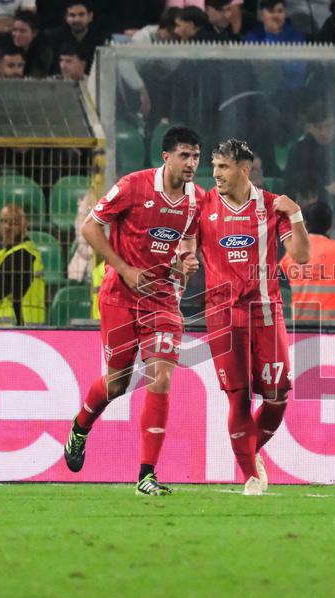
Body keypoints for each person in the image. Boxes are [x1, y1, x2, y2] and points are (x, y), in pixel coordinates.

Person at [64, 126, 204, 496]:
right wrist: (124, 268)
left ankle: (146, 475)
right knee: (116, 384)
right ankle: (80, 427)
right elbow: (90, 227)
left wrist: (187, 262)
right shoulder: (133, 186)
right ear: (166, 157)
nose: (191, 163)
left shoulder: (196, 199)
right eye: (185, 155)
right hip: (120, 295)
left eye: (196, 156)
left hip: (161, 299)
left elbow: (188, 240)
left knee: (160, 377)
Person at [196, 139, 310, 495]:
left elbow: (302, 255)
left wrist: (297, 214)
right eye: (214, 167)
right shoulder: (202, 205)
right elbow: (183, 243)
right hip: (222, 314)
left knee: (277, 398)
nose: (216, 174)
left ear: (244, 169)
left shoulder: (273, 206)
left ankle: (249, 450)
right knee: (239, 396)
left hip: (265, 311)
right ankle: (251, 476)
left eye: (223, 167)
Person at [0, 204, 44, 326]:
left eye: (12, 223)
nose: (6, 227)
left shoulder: (23, 254)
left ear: (23, 226)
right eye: (3, 221)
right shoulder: (3, 254)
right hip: (2, 329)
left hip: (19, 328)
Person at [283, 102, 335, 204]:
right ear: (309, 128)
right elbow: (294, 184)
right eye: (318, 127)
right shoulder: (299, 150)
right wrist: (324, 191)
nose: (323, 132)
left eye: (328, 126)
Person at [47, 1, 108, 74]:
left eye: (81, 15)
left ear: (90, 17)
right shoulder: (55, 39)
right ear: (66, 18)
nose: (77, 19)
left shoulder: (101, 41)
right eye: (72, 15)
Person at [7, 10, 52, 79]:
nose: (17, 35)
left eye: (22, 31)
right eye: (14, 30)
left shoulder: (44, 53)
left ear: (34, 33)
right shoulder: (5, 49)